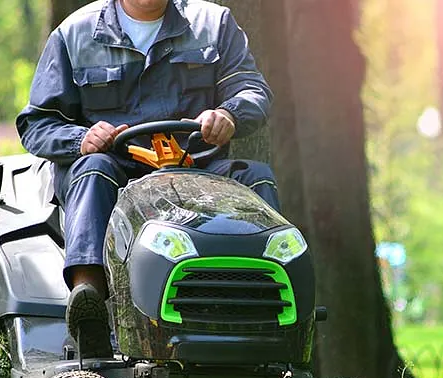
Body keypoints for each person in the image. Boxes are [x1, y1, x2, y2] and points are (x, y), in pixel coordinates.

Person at [16, 0, 278, 358]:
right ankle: (88, 301)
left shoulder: (213, 24)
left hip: (197, 172)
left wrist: (229, 114)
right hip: (117, 175)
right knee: (93, 170)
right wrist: (82, 140)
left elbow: (253, 91)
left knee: (255, 179)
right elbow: (38, 123)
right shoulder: (74, 34)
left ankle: (262, 307)